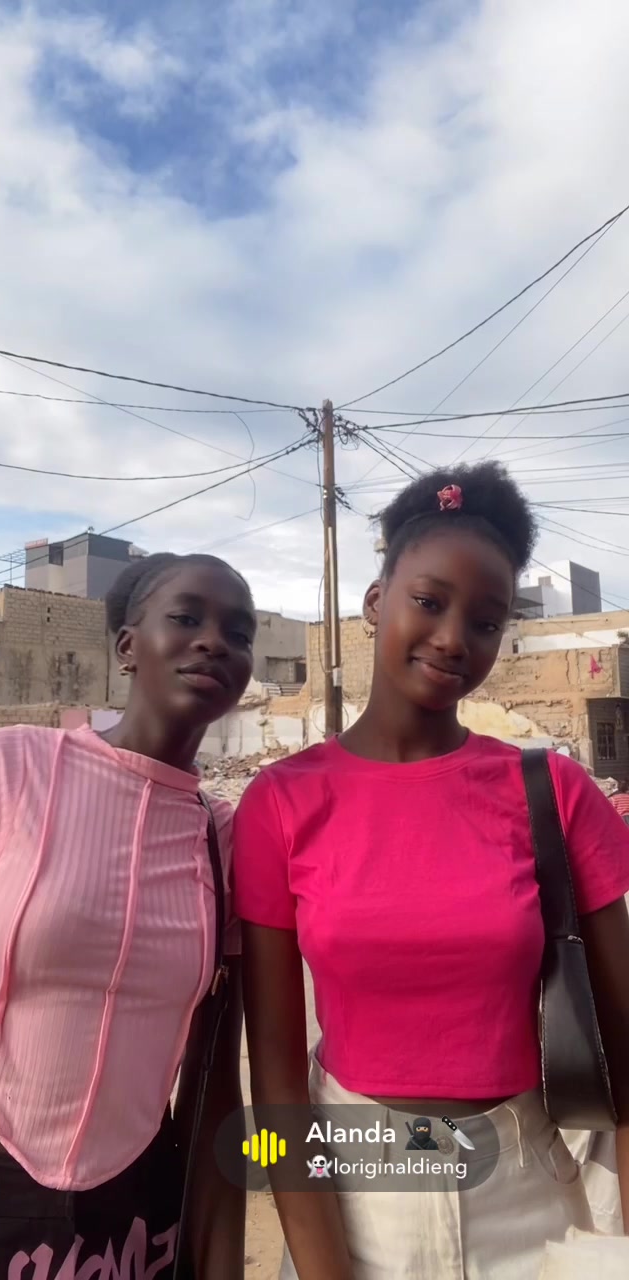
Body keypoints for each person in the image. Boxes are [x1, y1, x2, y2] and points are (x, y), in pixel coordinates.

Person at [233, 462, 629, 1280]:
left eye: (486, 621)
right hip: (352, 1192)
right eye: (429, 601)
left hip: (530, 1200)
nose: (454, 638)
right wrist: (322, 1269)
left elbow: (627, 1049)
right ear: (376, 601)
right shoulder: (282, 802)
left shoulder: (553, 793)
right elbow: (275, 1080)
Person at [0, 551, 256, 1280]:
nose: (214, 642)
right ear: (128, 646)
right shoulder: (4, 771)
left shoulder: (225, 841)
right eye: (186, 618)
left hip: (134, 1220)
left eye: (239, 633)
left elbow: (216, 1080)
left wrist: (220, 1258)